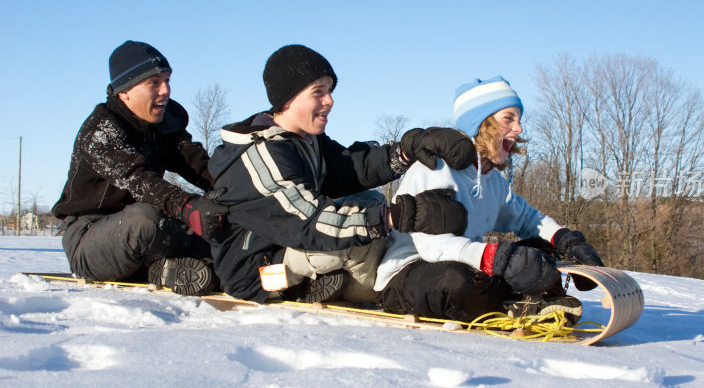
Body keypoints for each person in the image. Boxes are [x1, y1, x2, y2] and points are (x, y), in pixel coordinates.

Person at [208, 44, 475, 303]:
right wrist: (400, 216)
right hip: (256, 272)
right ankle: (386, 291)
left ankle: (340, 279)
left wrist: (406, 150)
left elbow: (350, 168)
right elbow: (309, 222)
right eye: (318, 92)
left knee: (371, 201)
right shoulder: (261, 157)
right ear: (288, 98)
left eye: (330, 90)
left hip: (289, 244)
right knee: (356, 239)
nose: (330, 100)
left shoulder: (304, 140)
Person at [374, 75, 604, 324]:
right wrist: (498, 258)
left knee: (538, 248)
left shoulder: (491, 178)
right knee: (459, 279)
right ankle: (515, 306)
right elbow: (435, 248)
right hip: (408, 275)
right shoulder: (435, 167)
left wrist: (563, 239)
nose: (519, 129)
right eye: (509, 118)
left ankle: (528, 298)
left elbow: (525, 217)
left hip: (467, 267)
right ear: (481, 123)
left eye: (519, 120)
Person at [53, 41, 229, 296]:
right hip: (90, 240)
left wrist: (236, 193)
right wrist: (188, 206)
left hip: (155, 230)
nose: (166, 90)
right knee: (145, 220)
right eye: (154, 83)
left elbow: (200, 165)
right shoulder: (101, 131)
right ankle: (166, 269)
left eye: (167, 80)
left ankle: (183, 269)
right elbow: (139, 180)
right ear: (125, 91)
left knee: (221, 226)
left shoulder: (161, 125)